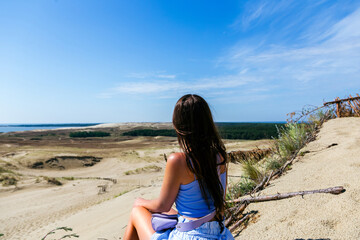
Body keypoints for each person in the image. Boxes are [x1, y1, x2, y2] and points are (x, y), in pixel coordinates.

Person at [123, 94, 234, 240]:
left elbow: (162, 205)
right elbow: (219, 203)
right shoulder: (219, 156)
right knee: (170, 213)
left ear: (177, 125)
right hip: (219, 233)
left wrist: (141, 201)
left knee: (137, 211)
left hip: (191, 236)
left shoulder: (178, 160)